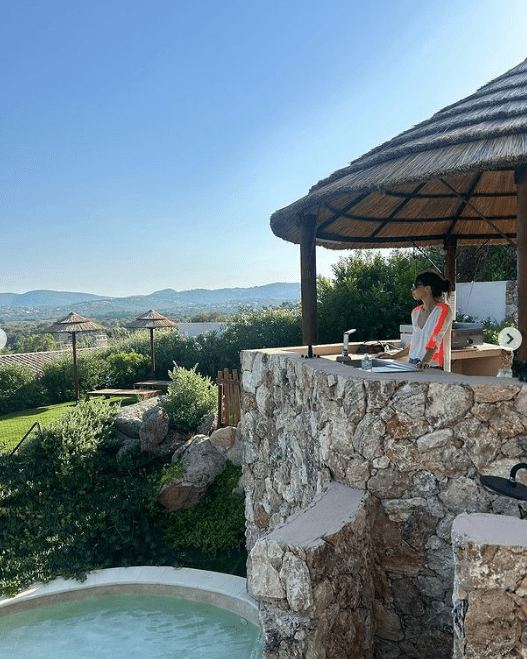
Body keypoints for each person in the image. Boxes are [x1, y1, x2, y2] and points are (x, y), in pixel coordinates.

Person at [379, 271, 453, 369]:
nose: (412, 290)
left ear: (427, 288)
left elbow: (435, 339)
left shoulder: (443, 310)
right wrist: (393, 356)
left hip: (433, 365)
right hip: (413, 363)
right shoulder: (415, 312)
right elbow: (414, 343)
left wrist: (425, 361)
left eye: (415, 286)